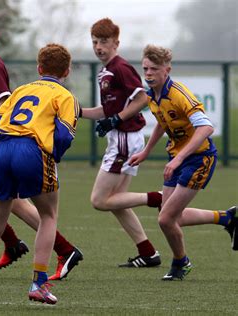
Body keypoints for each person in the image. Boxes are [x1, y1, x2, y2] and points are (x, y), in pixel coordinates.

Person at [0, 9, 82, 280]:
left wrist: (0, 141)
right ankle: (17, 246)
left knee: (13, 204)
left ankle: (61, 249)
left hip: (1, 138)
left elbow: (3, 104)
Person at [127, 44, 237, 280]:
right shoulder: (152, 94)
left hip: (200, 158)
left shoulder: (178, 94)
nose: (148, 74)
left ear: (167, 69)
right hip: (178, 157)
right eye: (145, 69)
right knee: (171, 216)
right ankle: (227, 218)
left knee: (166, 219)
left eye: (154, 69)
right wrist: (147, 151)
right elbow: (161, 121)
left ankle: (181, 263)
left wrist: (179, 158)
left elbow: (206, 127)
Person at [79, 18, 163, 268]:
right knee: (117, 201)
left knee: (99, 201)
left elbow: (143, 99)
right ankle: (148, 253)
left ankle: (157, 197)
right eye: (95, 42)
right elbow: (107, 110)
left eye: (104, 42)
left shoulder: (120, 67)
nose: (98, 47)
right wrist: (76, 112)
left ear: (116, 42)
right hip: (124, 137)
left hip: (125, 139)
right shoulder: (106, 71)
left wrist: (116, 119)